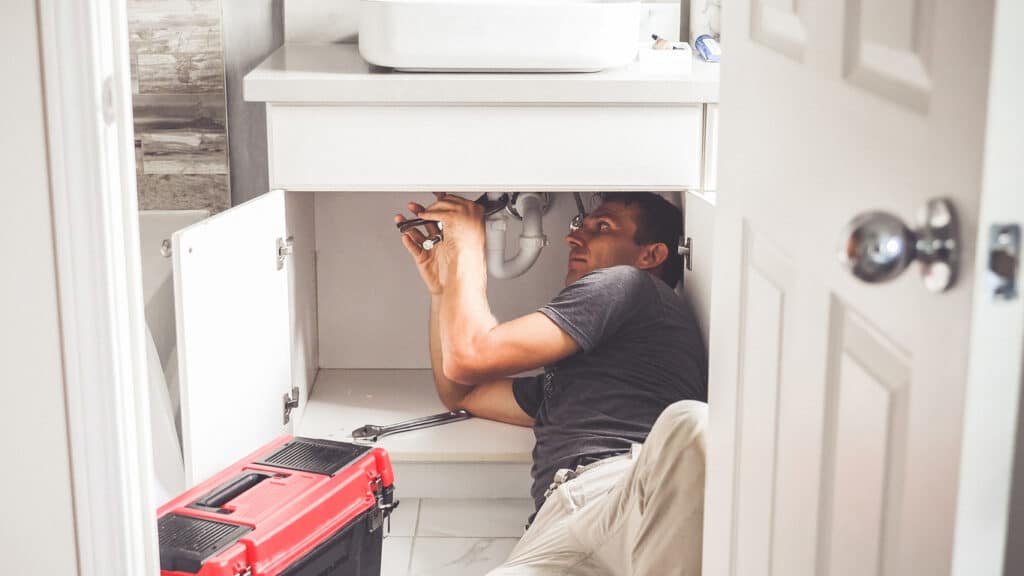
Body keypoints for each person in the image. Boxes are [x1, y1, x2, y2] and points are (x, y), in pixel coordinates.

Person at [395, 192, 709, 575]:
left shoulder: (627, 283)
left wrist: (468, 247)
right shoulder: (569, 382)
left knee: (694, 424)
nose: (574, 237)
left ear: (651, 256)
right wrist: (443, 290)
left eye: (603, 227)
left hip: (628, 496)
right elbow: (461, 391)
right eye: (583, 225)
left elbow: (469, 357)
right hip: (555, 523)